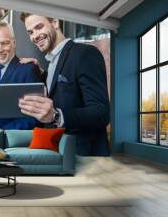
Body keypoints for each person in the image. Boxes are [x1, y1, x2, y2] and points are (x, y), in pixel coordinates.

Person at [18, 13, 110, 156]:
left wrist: (56, 116)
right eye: (30, 32)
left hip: (83, 157)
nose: (34, 36)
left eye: (39, 27)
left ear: (55, 22)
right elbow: (62, 94)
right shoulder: (50, 64)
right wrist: (41, 74)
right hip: (57, 154)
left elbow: (101, 113)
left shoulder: (85, 54)